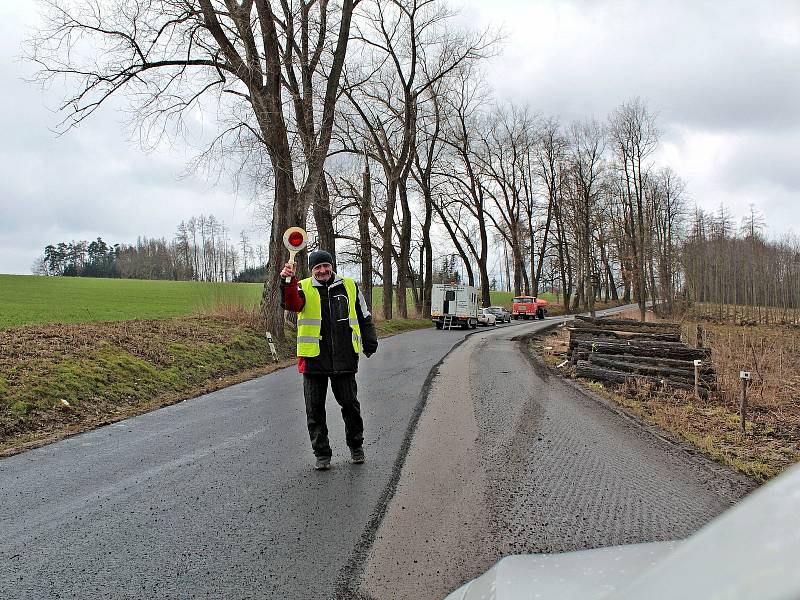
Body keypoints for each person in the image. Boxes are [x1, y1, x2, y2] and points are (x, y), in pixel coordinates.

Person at [280, 250, 378, 470]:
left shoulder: (350, 286)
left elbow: (364, 315)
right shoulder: (302, 286)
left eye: (326, 266)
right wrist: (287, 280)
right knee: (314, 410)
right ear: (312, 270)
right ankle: (322, 454)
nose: (323, 270)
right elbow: (291, 303)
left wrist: (369, 341)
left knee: (350, 407)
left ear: (332, 266)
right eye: (318, 268)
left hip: (344, 358)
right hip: (314, 360)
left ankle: (356, 447)